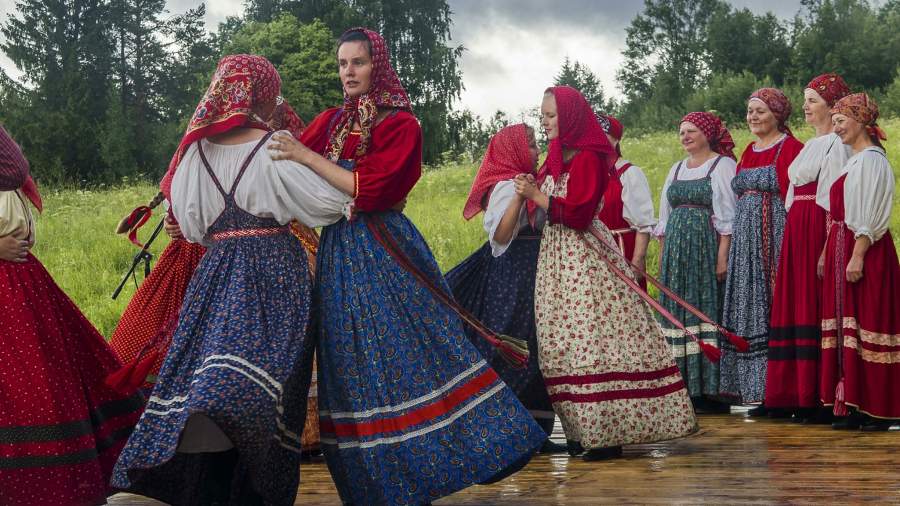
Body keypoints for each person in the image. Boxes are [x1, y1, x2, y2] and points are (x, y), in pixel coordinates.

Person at [267, 28, 544, 505]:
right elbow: (285, 169)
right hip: (337, 252)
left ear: (379, 65)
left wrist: (303, 154)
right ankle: (374, 483)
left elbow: (369, 189)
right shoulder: (333, 121)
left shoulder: (402, 124)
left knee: (407, 353)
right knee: (350, 364)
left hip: (384, 248)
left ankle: (444, 461)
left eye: (357, 62)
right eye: (342, 64)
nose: (347, 72)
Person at [111, 54, 349, 505]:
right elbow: (330, 204)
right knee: (271, 389)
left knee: (217, 376)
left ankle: (217, 482)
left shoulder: (192, 156)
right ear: (265, 93)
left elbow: (193, 227)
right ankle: (254, 487)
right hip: (275, 274)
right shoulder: (275, 147)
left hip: (216, 270)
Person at [514, 85, 696, 462]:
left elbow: (579, 214)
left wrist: (536, 196)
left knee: (593, 336)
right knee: (562, 338)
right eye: (542, 115)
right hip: (557, 258)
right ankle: (583, 430)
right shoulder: (555, 159)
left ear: (571, 116)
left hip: (586, 257)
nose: (544, 122)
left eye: (550, 115)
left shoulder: (589, 157)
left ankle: (608, 432)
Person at [0, 127, 143, 506]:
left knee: (49, 385)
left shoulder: (8, 171)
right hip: (10, 293)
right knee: (24, 394)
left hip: (24, 290)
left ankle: (58, 489)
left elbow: (13, 169)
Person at [444, 123, 562, 449]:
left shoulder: (534, 184)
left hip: (535, 268)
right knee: (514, 342)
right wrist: (519, 198)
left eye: (537, 144)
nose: (538, 151)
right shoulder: (506, 188)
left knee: (537, 345)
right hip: (513, 273)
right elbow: (500, 236)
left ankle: (537, 433)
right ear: (515, 151)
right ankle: (506, 429)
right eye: (532, 145)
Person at [765, 74, 852, 422]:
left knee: (814, 302)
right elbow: (791, 192)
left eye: (813, 100)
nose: (805, 106)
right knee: (794, 301)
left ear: (833, 107)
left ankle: (817, 394)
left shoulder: (836, 144)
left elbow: (833, 198)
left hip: (818, 224)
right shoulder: (810, 146)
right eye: (805, 100)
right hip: (798, 226)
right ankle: (793, 393)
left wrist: (826, 245)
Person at [720, 88, 803, 413]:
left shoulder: (791, 148)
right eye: (750, 111)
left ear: (778, 115)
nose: (753, 117)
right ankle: (756, 391)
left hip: (775, 238)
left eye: (760, 111)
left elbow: (795, 198)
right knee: (749, 308)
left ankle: (781, 392)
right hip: (745, 244)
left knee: (773, 308)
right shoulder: (748, 151)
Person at [820, 93, 899, 431]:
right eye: (834, 121)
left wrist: (858, 254)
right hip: (844, 247)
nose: (836, 127)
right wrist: (828, 251)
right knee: (849, 323)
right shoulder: (854, 160)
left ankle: (878, 407)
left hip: (866, 250)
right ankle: (855, 401)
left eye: (841, 121)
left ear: (861, 121)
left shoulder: (871, 160)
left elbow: (870, 214)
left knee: (869, 321)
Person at [655, 112, 737, 412]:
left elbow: (728, 216)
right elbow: (663, 218)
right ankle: (685, 385)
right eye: (681, 132)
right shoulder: (676, 169)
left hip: (705, 249)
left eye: (691, 131)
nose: (685, 136)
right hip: (677, 254)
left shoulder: (722, 165)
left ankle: (711, 390)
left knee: (705, 308)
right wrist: (664, 257)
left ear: (707, 134)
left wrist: (722, 257)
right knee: (679, 312)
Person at [596, 114, 655, 289]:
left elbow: (643, 224)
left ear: (615, 140)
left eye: (602, 135)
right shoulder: (589, 174)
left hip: (622, 251)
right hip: (595, 252)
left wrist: (636, 262)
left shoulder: (629, 173)